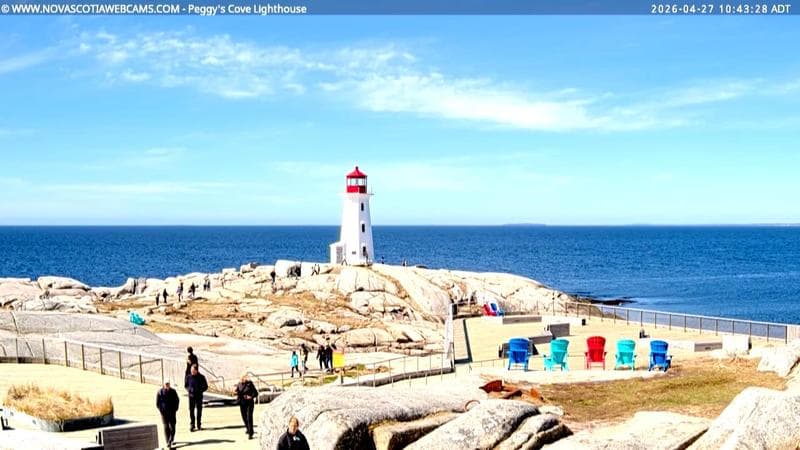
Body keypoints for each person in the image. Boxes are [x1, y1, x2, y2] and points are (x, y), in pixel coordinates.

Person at [156, 379, 180, 449]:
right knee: (166, 426)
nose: (167, 385)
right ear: (163, 385)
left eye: (168, 384)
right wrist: (161, 410)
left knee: (172, 426)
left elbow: (177, 400)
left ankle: (171, 438)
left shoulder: (173, 391)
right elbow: (157, 403)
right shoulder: (160, 392)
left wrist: (176, 409)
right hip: (164, 413)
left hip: (172, 412)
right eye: (166, 384)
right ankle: (168, 442)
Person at [234, 374, 259, 439]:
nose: (242, 379)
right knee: (244, 417)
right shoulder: (239, 384)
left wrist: (251, 396)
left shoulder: (250, 384)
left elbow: (256, 393)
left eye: (244, 378)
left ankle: (251, 433)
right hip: (242, 403)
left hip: (249, 403)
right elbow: (237, 392)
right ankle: (248, 428)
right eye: (241, 378)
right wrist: (235, 392)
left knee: (249, 417)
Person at [185, 364, 208, 431]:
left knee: (199, 411)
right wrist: (189, 390)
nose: (192, 372)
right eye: (191, 370)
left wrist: (200, 390)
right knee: (191, 411)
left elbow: (206, 386)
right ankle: (192, 425)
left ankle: (199, 425)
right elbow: (186, 385)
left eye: (193, 371)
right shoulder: (188, 377)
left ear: (196, 370)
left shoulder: (201, 377)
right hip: (191, 397)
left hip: (199, 396)